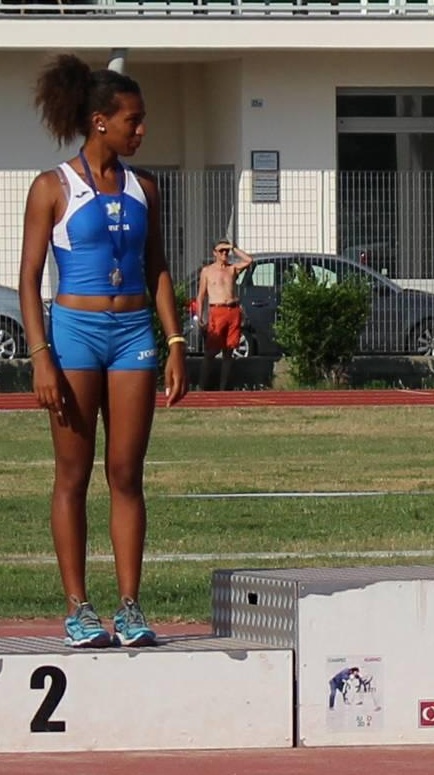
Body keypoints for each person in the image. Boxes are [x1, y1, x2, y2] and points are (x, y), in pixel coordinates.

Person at [18, 54, 188, 648]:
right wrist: (40, 354)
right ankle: (78, 606)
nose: (141, 131)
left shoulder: (146, 188)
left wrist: (173, 341)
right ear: (99, 121)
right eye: (133, 121)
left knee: (126, 473)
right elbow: (28, 277)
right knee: (72, 473)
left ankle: (131, 605)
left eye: (143, 121)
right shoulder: (51, 187)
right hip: (74, 336)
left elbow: (157, 266)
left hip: (134, 334)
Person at [196, 239, 253, 390]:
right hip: (217, 311)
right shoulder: (207, 271)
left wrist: (233, 247)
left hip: (233, 310)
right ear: (214, 253)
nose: (224, 254)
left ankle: (223, 388)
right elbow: (201, 296)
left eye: (226, 251)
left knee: (229, 351)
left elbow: (249, 260)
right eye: (221, 251)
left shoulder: (232, 269)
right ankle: (202, 387)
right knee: (211, 351)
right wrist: (200, 316)